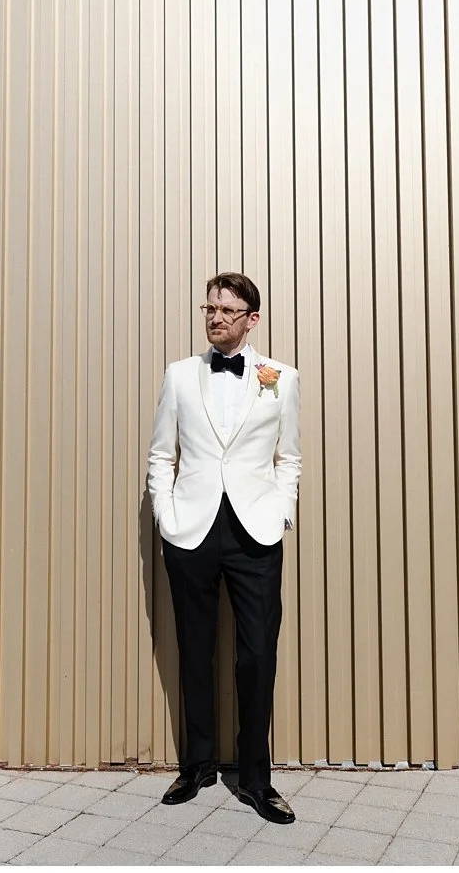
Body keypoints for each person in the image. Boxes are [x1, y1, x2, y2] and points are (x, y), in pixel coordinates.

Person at [146, 272, 301, 825]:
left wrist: (283, 510)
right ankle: (197, 766)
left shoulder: (281, 378)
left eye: (227, 311)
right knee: (195, 649)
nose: (214, 318)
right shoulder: (180, 376)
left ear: (251, 319)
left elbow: (290, 458)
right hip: (191, 531)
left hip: (255, 532)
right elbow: (162, 455)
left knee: (257, 655)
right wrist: (166, 515)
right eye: (209, 308)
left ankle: (257, 781)